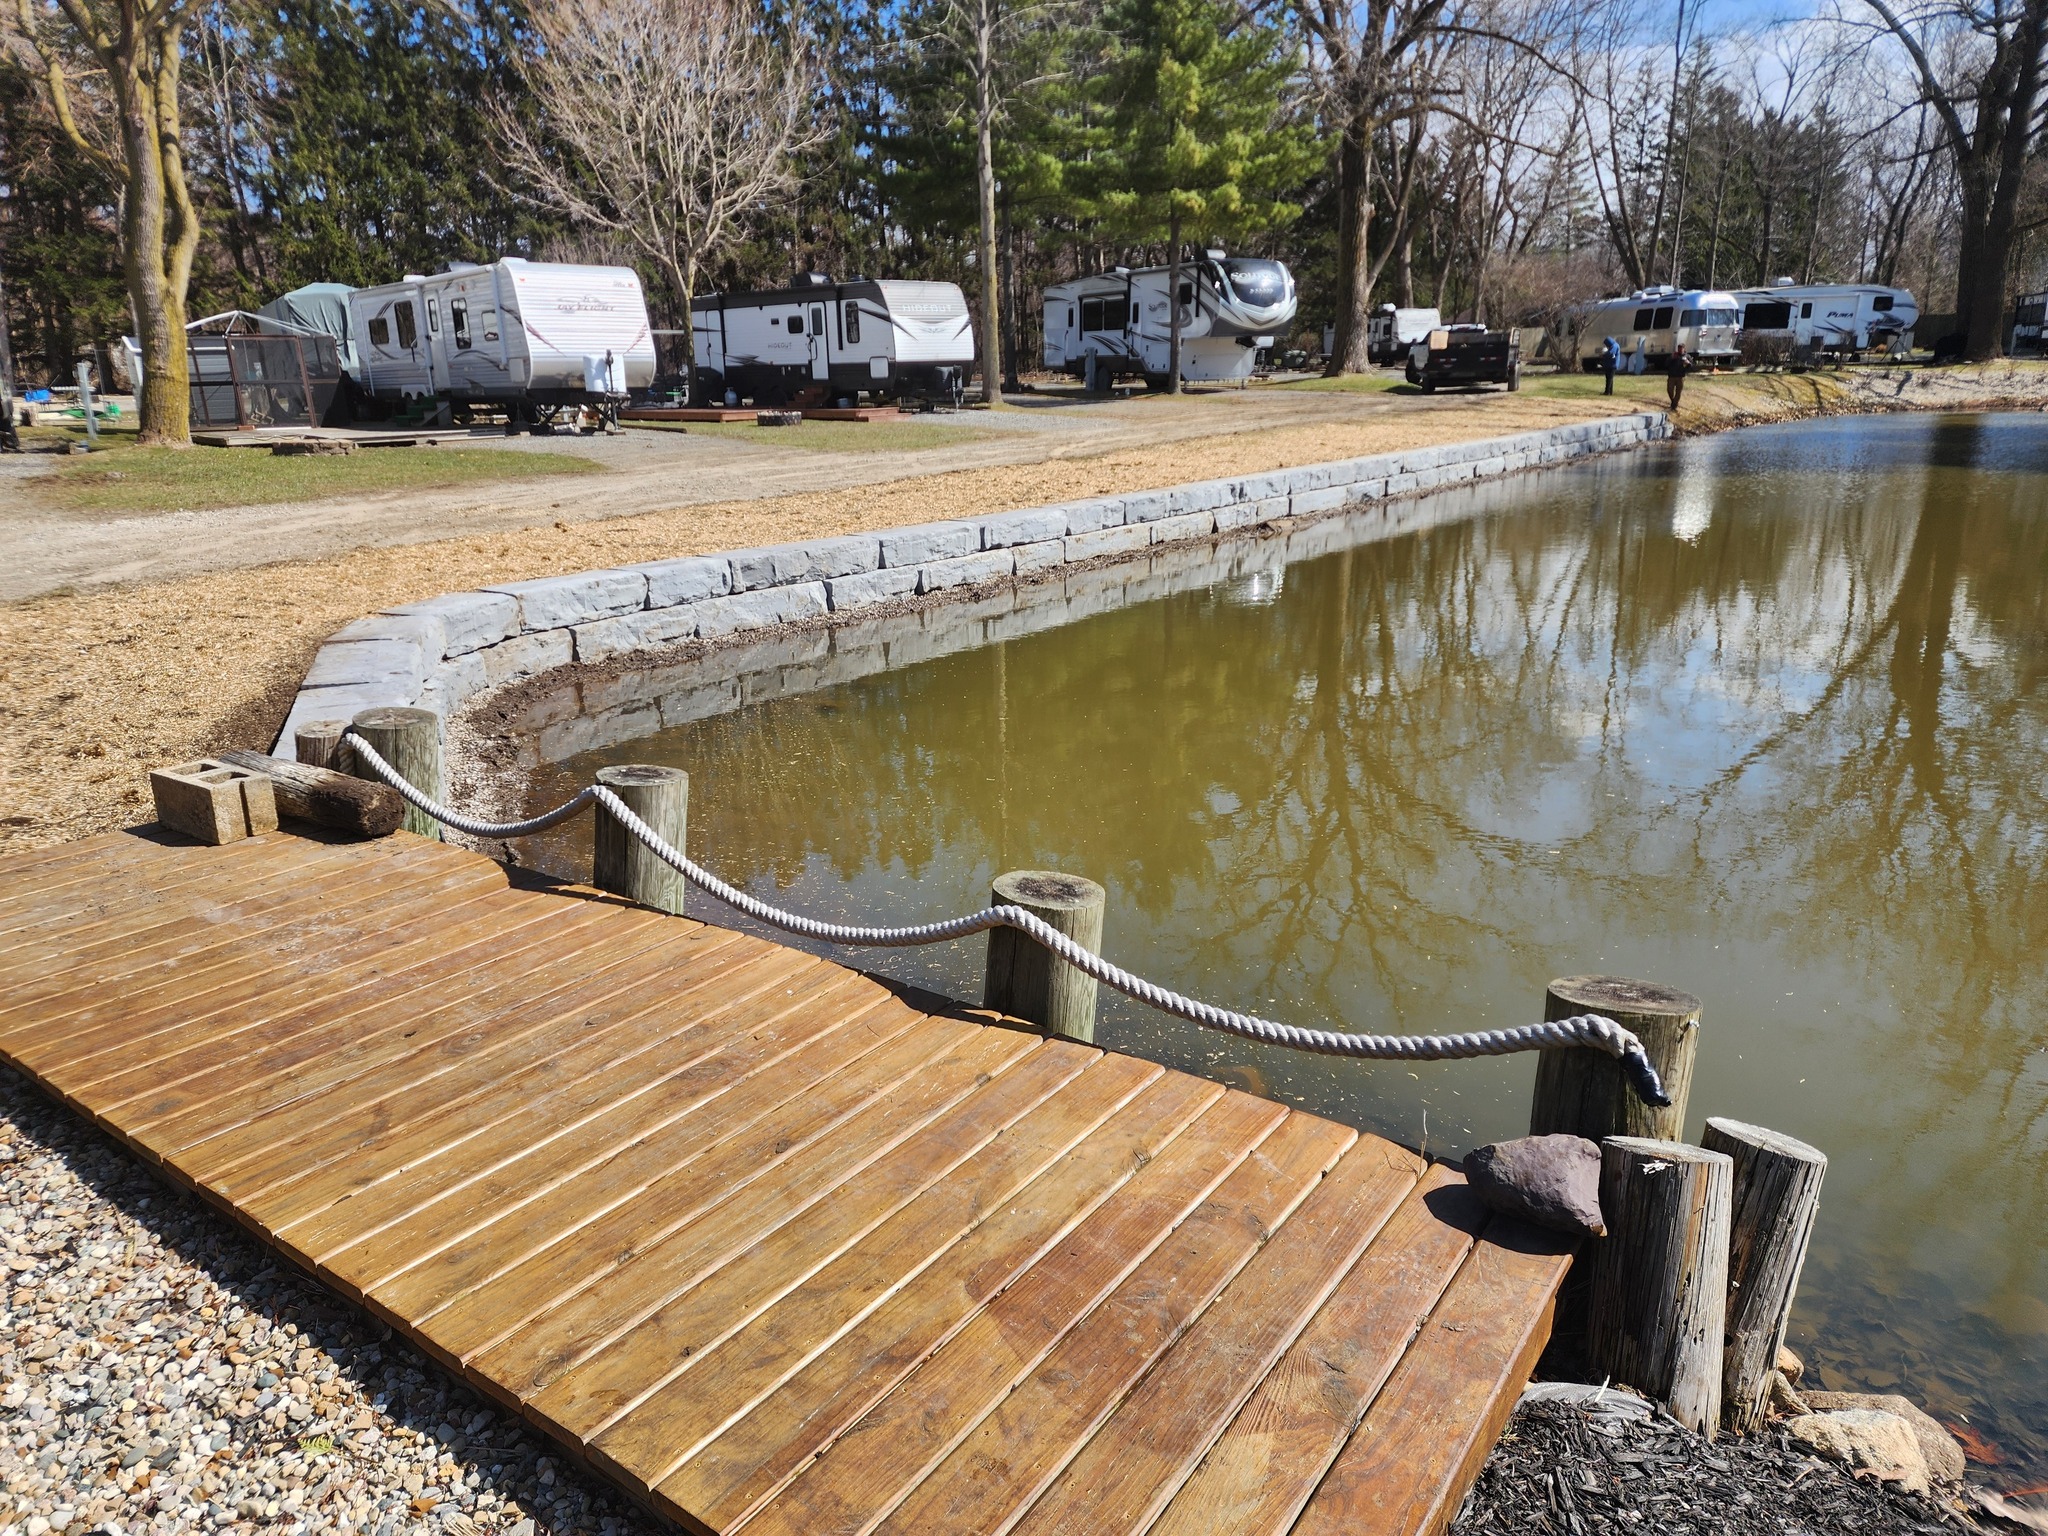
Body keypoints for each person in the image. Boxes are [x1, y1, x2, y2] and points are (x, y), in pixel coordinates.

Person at [1666, 344, 1690, 411]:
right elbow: (1666, 364)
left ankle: (1674, 405)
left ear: (1684, 349)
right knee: (1669, 390)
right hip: (1672, 376)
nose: (1680, 350)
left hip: (1680, 377)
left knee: (1678, 392)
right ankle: (1673, 401)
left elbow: (1691, 366)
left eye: (1681, 348)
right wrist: (1671, 358)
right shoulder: (1673, 355)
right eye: (1679, 348)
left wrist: (1688, 363)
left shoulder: (1687, 356)